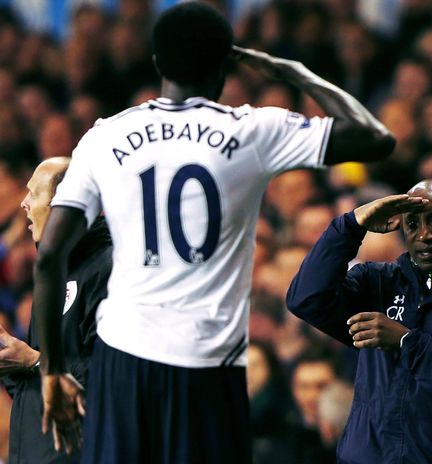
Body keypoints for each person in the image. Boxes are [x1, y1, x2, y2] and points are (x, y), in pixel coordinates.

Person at [31, 3, 395, 463]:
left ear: (158, 61)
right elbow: (375, 137)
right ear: (225, 64)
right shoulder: (251, 129)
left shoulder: (105, 136)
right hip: (207, 362)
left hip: (122, 358)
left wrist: (52, 370)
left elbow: (49, 256)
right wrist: (297, 73)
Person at [286, 179, 432, 463]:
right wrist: (351, 226)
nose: (424, 234)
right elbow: (305, 299)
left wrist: (406, 342)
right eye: (412, 224)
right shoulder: (377, 282)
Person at [1, 157, 111, 463]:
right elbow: (42, 390)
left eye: (35, 194)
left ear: (69, 206)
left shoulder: (108, 269)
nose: (23, 203)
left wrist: (35, 362)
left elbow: (110, 380)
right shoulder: (53, 273)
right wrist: (12, 363)